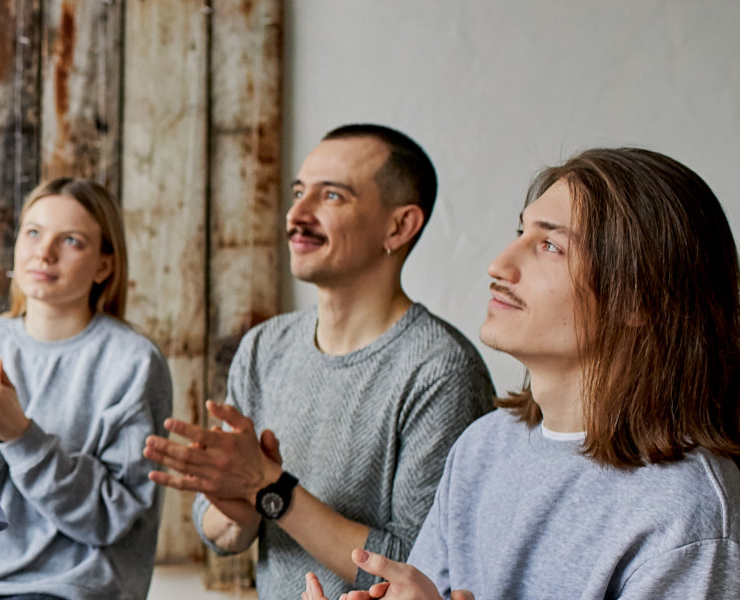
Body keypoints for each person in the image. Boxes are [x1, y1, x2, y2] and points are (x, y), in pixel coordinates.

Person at [302, 148, 740, 600]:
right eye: (521, 232)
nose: (499, 265)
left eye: (550, 245)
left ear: (637, 298)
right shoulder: (481, 448)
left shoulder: (688, 507)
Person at [143, 124, 495, 598]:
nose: (296, 215)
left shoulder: (442, 370)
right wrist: (238, 501)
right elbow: (223, 532)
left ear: (399, 226)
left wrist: (272, 490)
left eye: (331, 196)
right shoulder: (265, 346)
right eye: (297, 192)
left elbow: (420, 568)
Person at [0, 178, 171, 600]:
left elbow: (111, 517)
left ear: (105, 265)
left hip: (72, 587)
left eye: (71, 241)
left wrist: (21, 435)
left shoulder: (134, 362)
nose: (44, 253)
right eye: (33, 232)